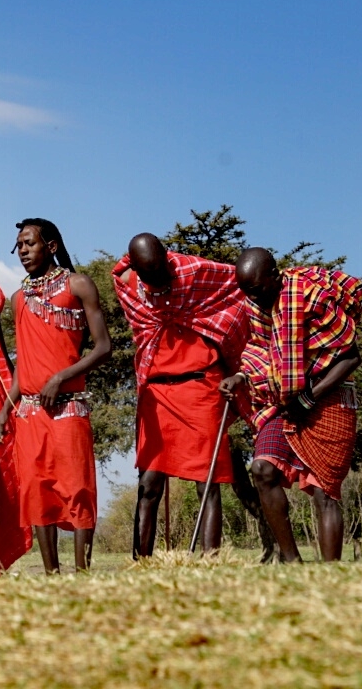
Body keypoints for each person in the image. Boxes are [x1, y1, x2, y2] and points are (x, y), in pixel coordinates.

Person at [112, 233, 249, 557]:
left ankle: (209, 560)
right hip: (157, 392)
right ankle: (140, 562)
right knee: (149, 482)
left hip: (201, 388)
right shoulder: (128, 283)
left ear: (168, 260)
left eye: (162, 276)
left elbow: (241, 282)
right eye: (151, 280)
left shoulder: (195, 273)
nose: (158, 286)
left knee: (208, 481)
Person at [225, 249, 362, 562]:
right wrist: (240, 376)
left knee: (324, 491)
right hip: (285, 401)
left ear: (275, 275)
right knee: (262, 469)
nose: (253, 298)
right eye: (246, 292)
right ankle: (291, 560)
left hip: (328, 394)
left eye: (257, 290)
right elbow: (260, 349)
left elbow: (351, 356)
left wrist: (308, 396)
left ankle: (329, 574)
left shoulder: (311, 298)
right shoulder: (255, 304)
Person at [0, 220, 108, 572]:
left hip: (68, 406)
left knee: (78, 488)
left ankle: (82, 573)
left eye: (29, 243)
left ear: (52, 247)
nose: (23, 251)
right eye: (19, 246)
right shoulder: (18, 298)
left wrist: (61, 377)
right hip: (27, 412)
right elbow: (22, 366)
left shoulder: (79, 284)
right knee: (35, 490)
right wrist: (3, 410)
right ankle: (51, 572)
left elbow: (104, 347)